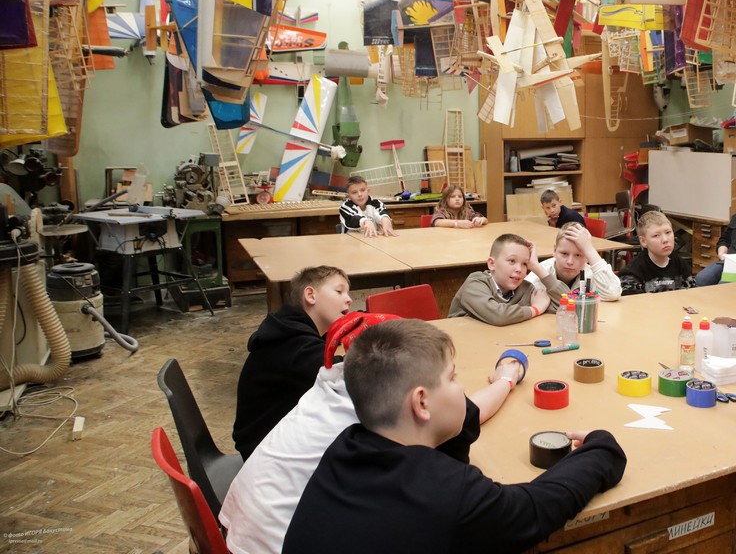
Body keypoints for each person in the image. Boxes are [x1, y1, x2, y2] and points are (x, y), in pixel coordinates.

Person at [281, 318, 627, 554]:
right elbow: (537, 508)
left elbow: (453, 433)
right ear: (421, 402)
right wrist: (602, 449)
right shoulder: (450, 494)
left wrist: (496, 387)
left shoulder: (344, 448)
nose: (461, 388)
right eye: (452, 378)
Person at [220, 312, 527, 554]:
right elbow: (472, 414)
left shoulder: (332, 381)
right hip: (273, 544)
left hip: (241, 527)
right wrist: (506, 379)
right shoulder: (378, 410)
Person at [232, 266, 352, 460]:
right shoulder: (292, 341)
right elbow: (341, 374)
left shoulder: (290, 328)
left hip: (277, 440)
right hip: (266, 453)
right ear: (310, 295)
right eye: (339, 291)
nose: (348, 299)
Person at [447, 233, 562, 324]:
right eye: (512, 261)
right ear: (492, 264)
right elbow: (498, 315)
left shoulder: (525, 288)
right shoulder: (475, 284)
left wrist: (537, 267)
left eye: (525, 264)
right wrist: (535, 309)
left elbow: (565, 306)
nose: (519, 269)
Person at [525, 222, 621, 301]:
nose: (570, 262)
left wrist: (589, 249)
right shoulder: (538, 276)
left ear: (587, 256)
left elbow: (612, 294)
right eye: (564, 253)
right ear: (555, 250)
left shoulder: (590, 274)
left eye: (578, 255)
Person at [618, 210, 695, 295]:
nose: (665, 240)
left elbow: (692, 294)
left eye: (668, 232)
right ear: (643, 241)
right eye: (656, 235)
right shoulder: (632, 272)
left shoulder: (680, 264)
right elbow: (633, 301)